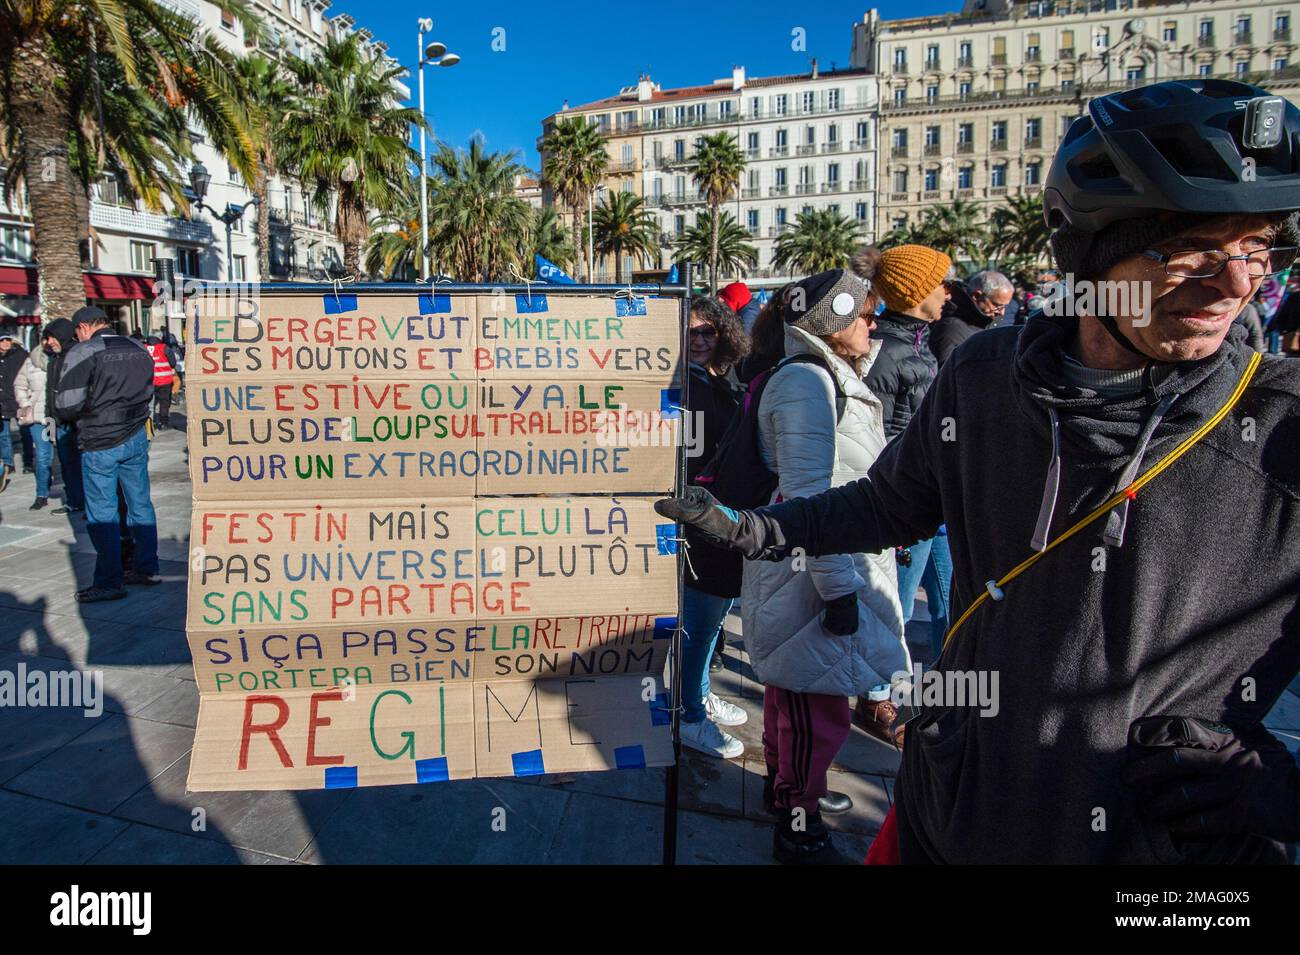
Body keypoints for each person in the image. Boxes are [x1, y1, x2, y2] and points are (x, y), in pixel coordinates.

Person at [658, 79, 1300, 864]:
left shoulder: (1281, 428)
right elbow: (886, 505)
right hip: (946, 816)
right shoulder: (985, 377)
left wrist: (1281, 786)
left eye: (1259, 247)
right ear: (1093, 248)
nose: (1239, 283)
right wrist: (756, 529)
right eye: (1194, 250)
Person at [738, 268, 909, 864]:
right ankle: (799, 827)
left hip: (811, 566)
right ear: (833, 321)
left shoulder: (823, 375)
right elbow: (812, 501)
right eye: (864, 314)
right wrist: (838, 590)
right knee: (817, 711)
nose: (873, 323)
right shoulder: (810, 381)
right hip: (813, 572)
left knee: (795, 698)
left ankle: (784, 796)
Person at [852, 244, 955, 700]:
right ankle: (879, 696)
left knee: (951, 602)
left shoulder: (918, 343)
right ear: (916, 293)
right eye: (940, 283)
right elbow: (874, 438)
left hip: (939, 502)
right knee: (894, 610)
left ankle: (946, 688)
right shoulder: (887, 354)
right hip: (909, 507)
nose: (948, 293)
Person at [676, 296, 751, 759]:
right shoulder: (681, 387)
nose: (701, 340)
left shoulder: (722, 379)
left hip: (723, 516)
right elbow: (686, 458)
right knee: (700, 626)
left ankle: (697, 693)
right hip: (700, 518)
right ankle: (689, 715)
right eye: (691, 333)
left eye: (709, 332)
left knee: (710, 622)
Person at [53, 306, 160, 601]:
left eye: (77, 331)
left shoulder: (85, 351)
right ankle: (147, 567)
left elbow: (66, 404)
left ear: (85, 327)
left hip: (100, 439)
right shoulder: (138, 347)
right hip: (136, 434)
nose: (77, 336)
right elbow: (151, 387)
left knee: (102, 513)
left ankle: (110, 581)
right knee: (140, 503)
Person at [40, 319, 85, 515]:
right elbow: (51, 392)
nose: (49, 342)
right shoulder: (54, 360)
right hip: (59, 423)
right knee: (68, 465)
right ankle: (75, 501)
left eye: (52, 337)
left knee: (85, 465)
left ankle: (90, 505)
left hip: (78, 421)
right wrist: (49, 423)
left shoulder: (78, 354)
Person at [929, 269, 1015, 366]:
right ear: (976, 295)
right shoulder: (951, 328)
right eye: (997, 306)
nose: (1002, 313)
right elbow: (946, 374)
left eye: (1004, 307)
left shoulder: (985, 320)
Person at [12, 336, 52, 509]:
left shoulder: (64, 357)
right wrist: (25, 403)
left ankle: (75, 497)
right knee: (43, 456)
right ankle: (42, 493)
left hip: (59, 417)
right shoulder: (31, 361)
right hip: (39, 417)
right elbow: (19, 385)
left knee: (68, 458)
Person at [0, 333, 34, 491]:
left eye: (8, 340)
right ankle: (8, 464)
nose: (6, 343)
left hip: (19, 401)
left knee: (25, 432)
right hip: (2, 402)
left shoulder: (20, 355)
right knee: (4, 435)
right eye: (2, 340)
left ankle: (28, 462)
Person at [146, 335, 175, 430]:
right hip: (164, 381)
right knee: (164, 402)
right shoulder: (164, 348)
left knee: (150, 404)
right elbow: (173, 363)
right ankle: (164, 423)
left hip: (149, 381)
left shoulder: (143, 348)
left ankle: (150, 424)